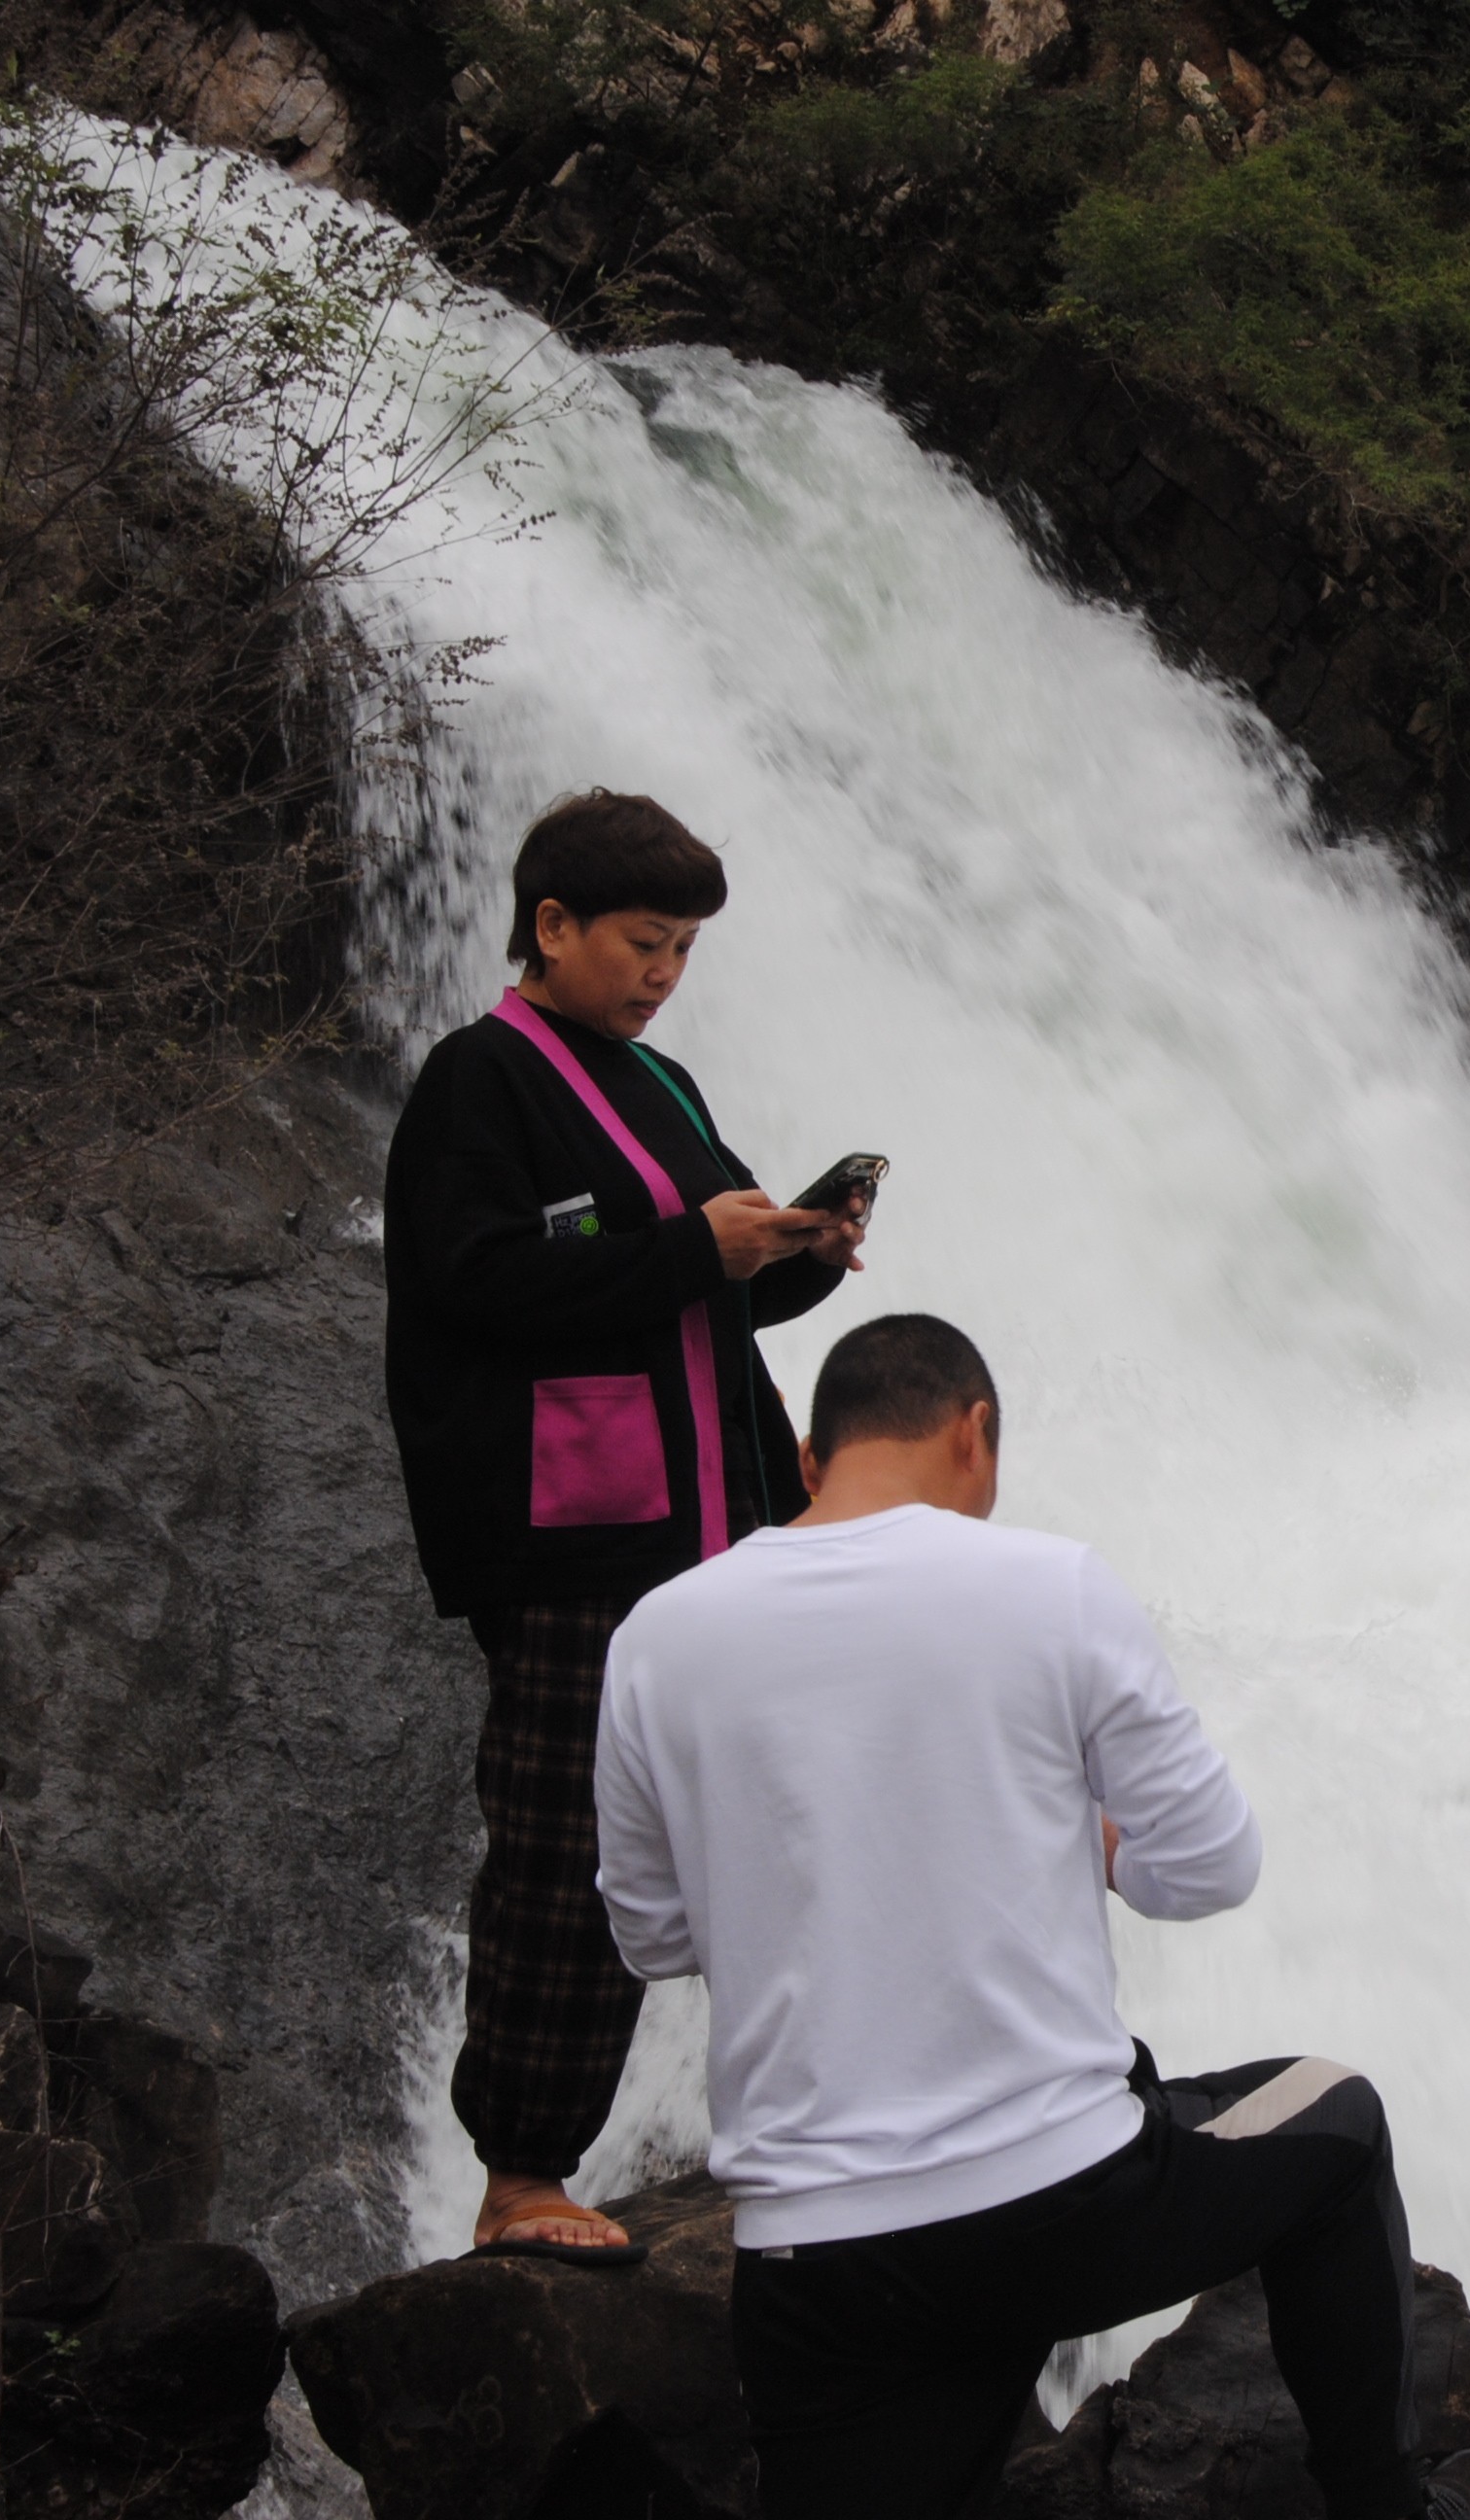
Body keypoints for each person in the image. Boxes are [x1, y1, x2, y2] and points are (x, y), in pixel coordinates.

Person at [593, 1315, 1470, 2520]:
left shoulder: (657, 1637)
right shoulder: (1045, 1585)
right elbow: (1213, 1865)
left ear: (813, 1460)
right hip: (1059, 2214)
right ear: (975, 1435)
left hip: (812, 2259)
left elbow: (651, 1940)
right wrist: (1096, 1846)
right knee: (1338, 2119)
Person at [382, 788, 869, 2259]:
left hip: (716, 1532)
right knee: (564, 1846)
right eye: (644, 944)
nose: (662, 974)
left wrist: (798, 1252)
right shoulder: (478, 1085)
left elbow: (702, 1284)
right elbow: (470, 1286)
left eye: (682, 952)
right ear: (552, 927)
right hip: (577, 1547)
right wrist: (687, 1247)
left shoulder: (659, 1088)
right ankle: (523, 2174)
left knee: (773, 1821)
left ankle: (822, 2115)